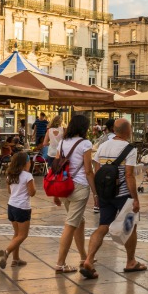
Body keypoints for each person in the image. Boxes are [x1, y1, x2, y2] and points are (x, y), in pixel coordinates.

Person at [82, 118, 145, 277]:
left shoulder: (103, 146)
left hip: (105, 193)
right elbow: (129, 175)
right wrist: (135, 198)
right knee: (130, 227)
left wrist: (97, 194)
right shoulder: (129, 148)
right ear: (127, 131)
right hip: (123, 194)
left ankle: (89, 259)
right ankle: (131, 262)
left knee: (103, 226)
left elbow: (97, 171)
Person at [52, 114, 95, 275]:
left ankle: (83, 256)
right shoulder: (85, 144)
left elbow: (56, 168)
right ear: (84, 128)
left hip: (64, 186)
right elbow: (88, 170)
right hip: (79, 187)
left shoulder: (62, 142)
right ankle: (60, 263)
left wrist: (55, 192)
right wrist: (96, 193)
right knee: (70, 224)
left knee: (79, 221)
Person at [0, 151, 35, 269]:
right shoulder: (27, 176)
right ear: (25, 163)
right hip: (22, 207)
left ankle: (16, 260)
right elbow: (32, 192)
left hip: (11, 206)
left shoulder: (10, 175)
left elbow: (9, 191)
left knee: (16, 234)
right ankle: (6, 252)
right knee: (23, 235)